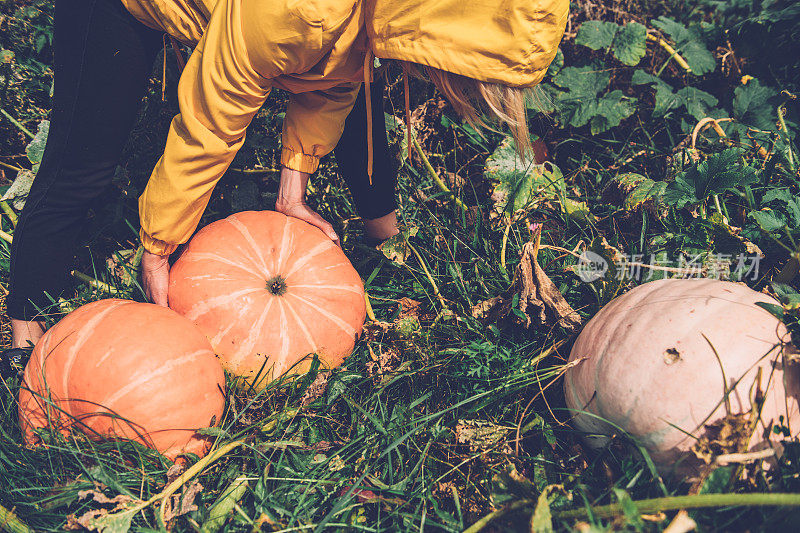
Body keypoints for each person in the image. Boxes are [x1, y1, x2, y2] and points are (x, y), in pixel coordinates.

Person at [2, 0, 568, 375]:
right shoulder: (296, 6)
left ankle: (391, 242)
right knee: (84, 161)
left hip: (243, 20)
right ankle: (24, 338)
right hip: (120, 8)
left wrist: (292, 188)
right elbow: (213, 116)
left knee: (359, 101)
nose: (444, 89)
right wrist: (159, 242)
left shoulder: (369, 14)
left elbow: (334, 84)